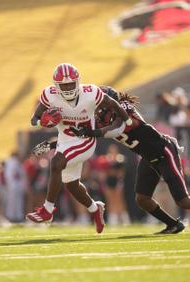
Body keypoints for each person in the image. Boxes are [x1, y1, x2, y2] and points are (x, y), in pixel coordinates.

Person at [35, 87, 190, 234]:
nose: (98, 110)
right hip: (149, 157)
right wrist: (52, 145)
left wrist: (95, 131)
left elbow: (117, 127)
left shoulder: (125, 111)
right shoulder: (101, 118)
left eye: (101, 106)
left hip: (164, 151)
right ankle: (174, 224)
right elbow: (78, 136)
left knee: (183, 201)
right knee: (142, 199)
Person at [26, 63, 131, 234]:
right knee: (72, 185)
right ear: (56, 86)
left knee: (56, 162)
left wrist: (128, 120)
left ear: (77, 82)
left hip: (85, 140)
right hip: (64, 141)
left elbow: (113, 104)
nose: (67, 88)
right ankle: (95, 209)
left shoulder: (90, 93)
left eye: (70, 84)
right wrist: (42, 121)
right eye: (64, 85)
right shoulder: (49, 95)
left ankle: (48, 209)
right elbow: (34, 119)